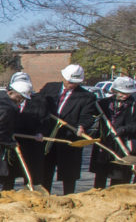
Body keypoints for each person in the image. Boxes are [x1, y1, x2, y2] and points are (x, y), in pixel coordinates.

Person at [37, 64, 97, 194]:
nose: (71, 84)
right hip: (48, 136)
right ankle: (44, 196)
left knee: (69, 173)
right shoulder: (50, 88)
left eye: (75, 82)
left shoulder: (86, 96)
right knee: (45, 170)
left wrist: (82, 126)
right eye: (70, 81)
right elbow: (38, 104)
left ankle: (68, 197)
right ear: (64, 77)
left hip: (69, 138)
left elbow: (88, 116)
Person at [0, 80, 38, 191]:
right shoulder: (6, 107)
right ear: (11, 93)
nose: (21, 101)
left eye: (23, 99)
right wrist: (11, 143)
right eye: (19, 98)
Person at [89, 76, 136, 189]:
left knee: (119, 176)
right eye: (122, 92)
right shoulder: (103, 103)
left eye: (127, 93)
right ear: (115, 90)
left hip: (122, 144)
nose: (125, 95)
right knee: (101, 174)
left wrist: (123, 129)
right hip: (104, 144)